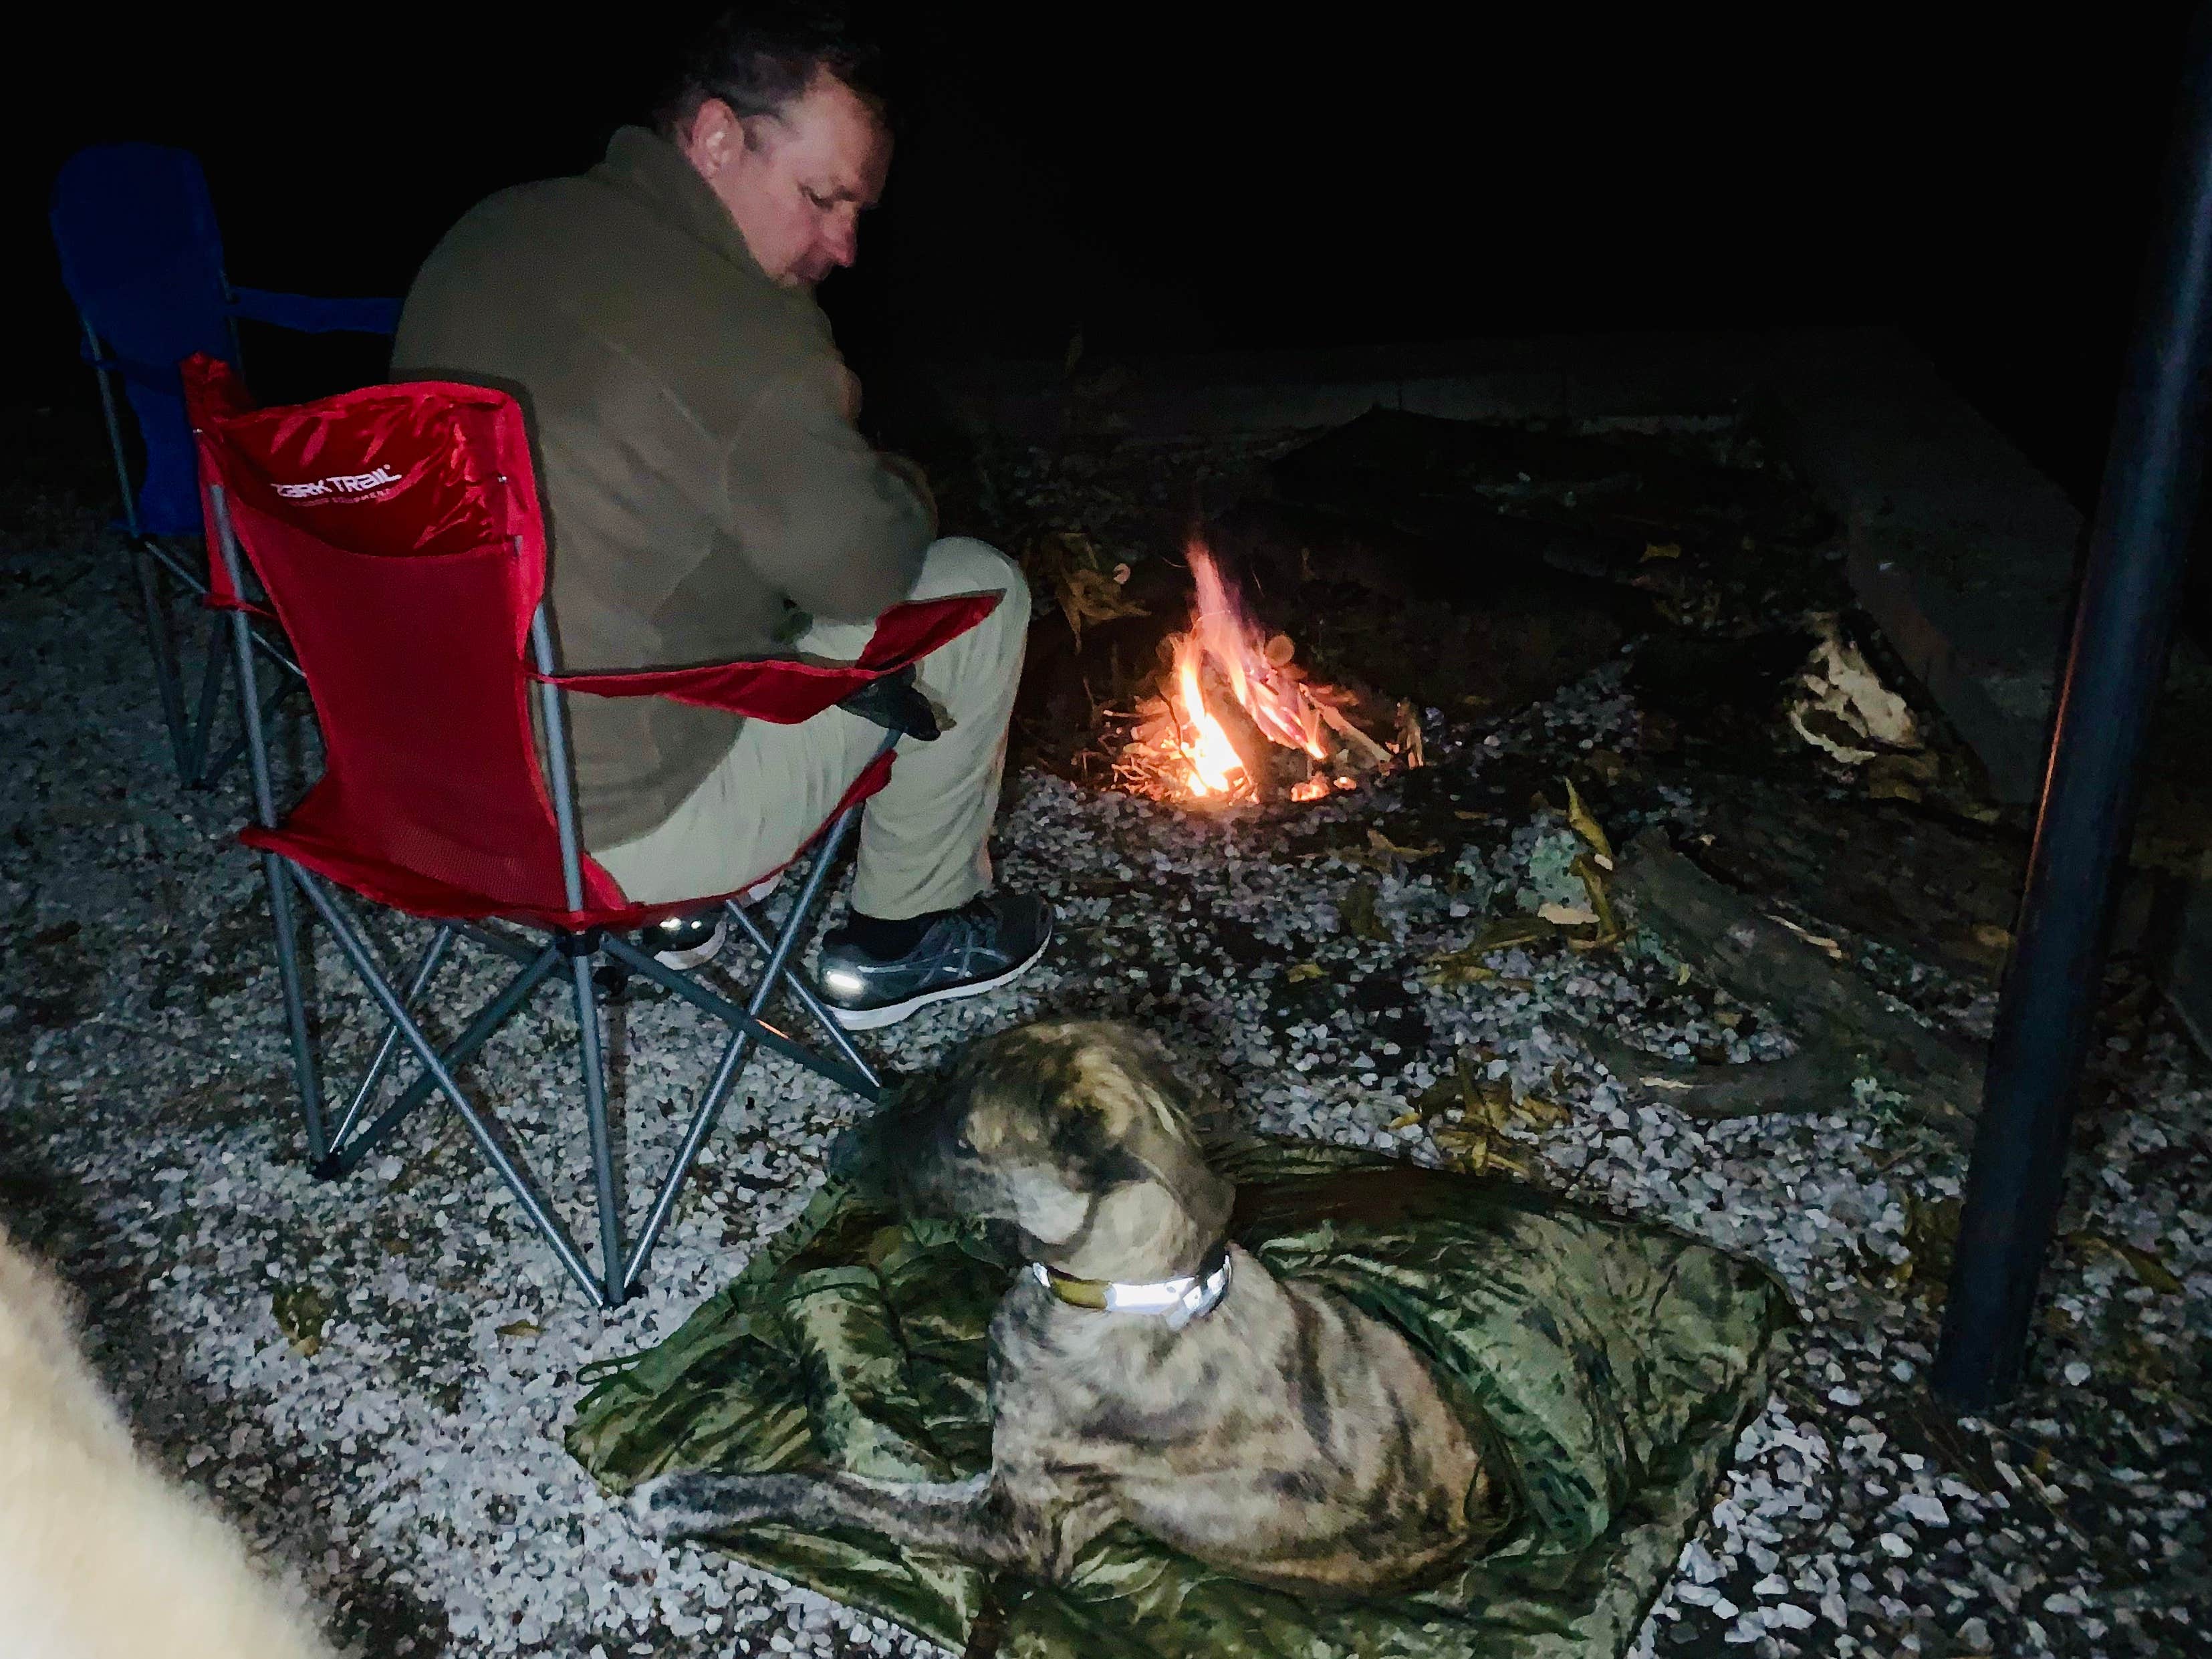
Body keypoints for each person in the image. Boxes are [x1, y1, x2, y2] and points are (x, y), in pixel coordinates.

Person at [392, 6, 1050, 1031]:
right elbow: (865, 573)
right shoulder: (751, 336)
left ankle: (676, 920)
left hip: (425, 793)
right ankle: (907, 934)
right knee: (977, 586)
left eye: (858, 210)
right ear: (713, 138)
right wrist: (907, 488)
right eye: (823, 198)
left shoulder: (491, 232)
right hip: (604, 830)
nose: (844, 245)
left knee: (697, 570)